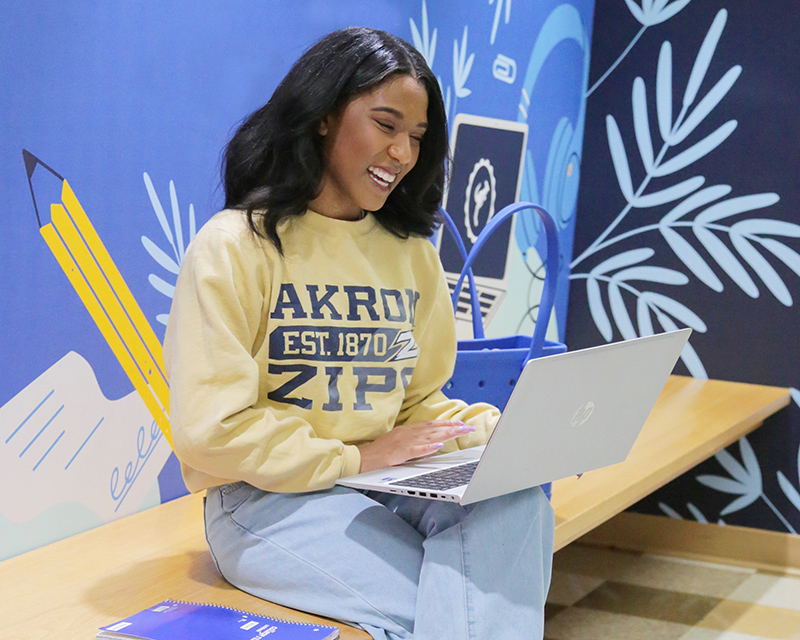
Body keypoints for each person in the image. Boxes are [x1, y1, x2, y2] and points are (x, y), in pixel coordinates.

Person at [163, 26, 554, 640]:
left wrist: (501, 434)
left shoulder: (411, 257)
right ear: (322, 118)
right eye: (385, 124)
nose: (403, 153)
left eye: (417, 138)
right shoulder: (236, 247)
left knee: (517, 499)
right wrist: (350, 456)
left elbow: (418, 401)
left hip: (386, 483)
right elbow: (210, 430)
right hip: (267, 501)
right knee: (467, 608)